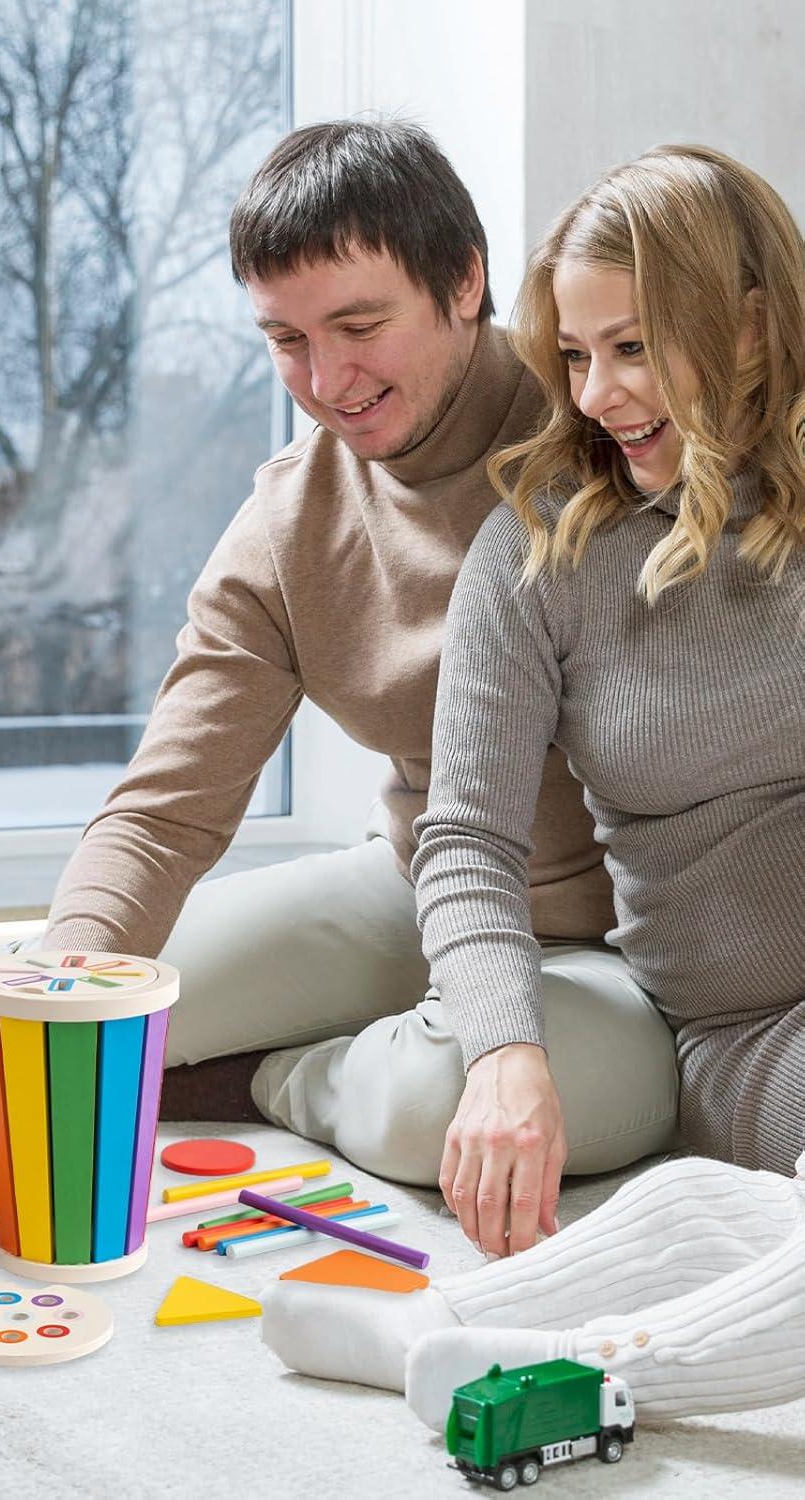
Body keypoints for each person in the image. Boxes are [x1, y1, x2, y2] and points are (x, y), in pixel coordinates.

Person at [0, 120, 678, 1225]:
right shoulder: (292, 516)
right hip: (414, 888)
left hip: (609, 940)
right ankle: (369, 1032)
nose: (327, 379)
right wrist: (60, 987)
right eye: (286, 339)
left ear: (465, 281)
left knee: (438, 1110)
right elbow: (164, 810)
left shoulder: (611, 418)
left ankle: (282, 1079)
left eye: (359, 324)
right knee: (49, 996)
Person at [264, 144, 805, 1427]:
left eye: (635, 347)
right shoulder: (543, 541)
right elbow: (465, 838)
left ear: (745, 325)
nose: (601, 393)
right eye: (575, 355)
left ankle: (459, 1340)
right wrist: (506, 1051)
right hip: (743, 1031)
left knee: (708, 1207)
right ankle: (543, 1365)